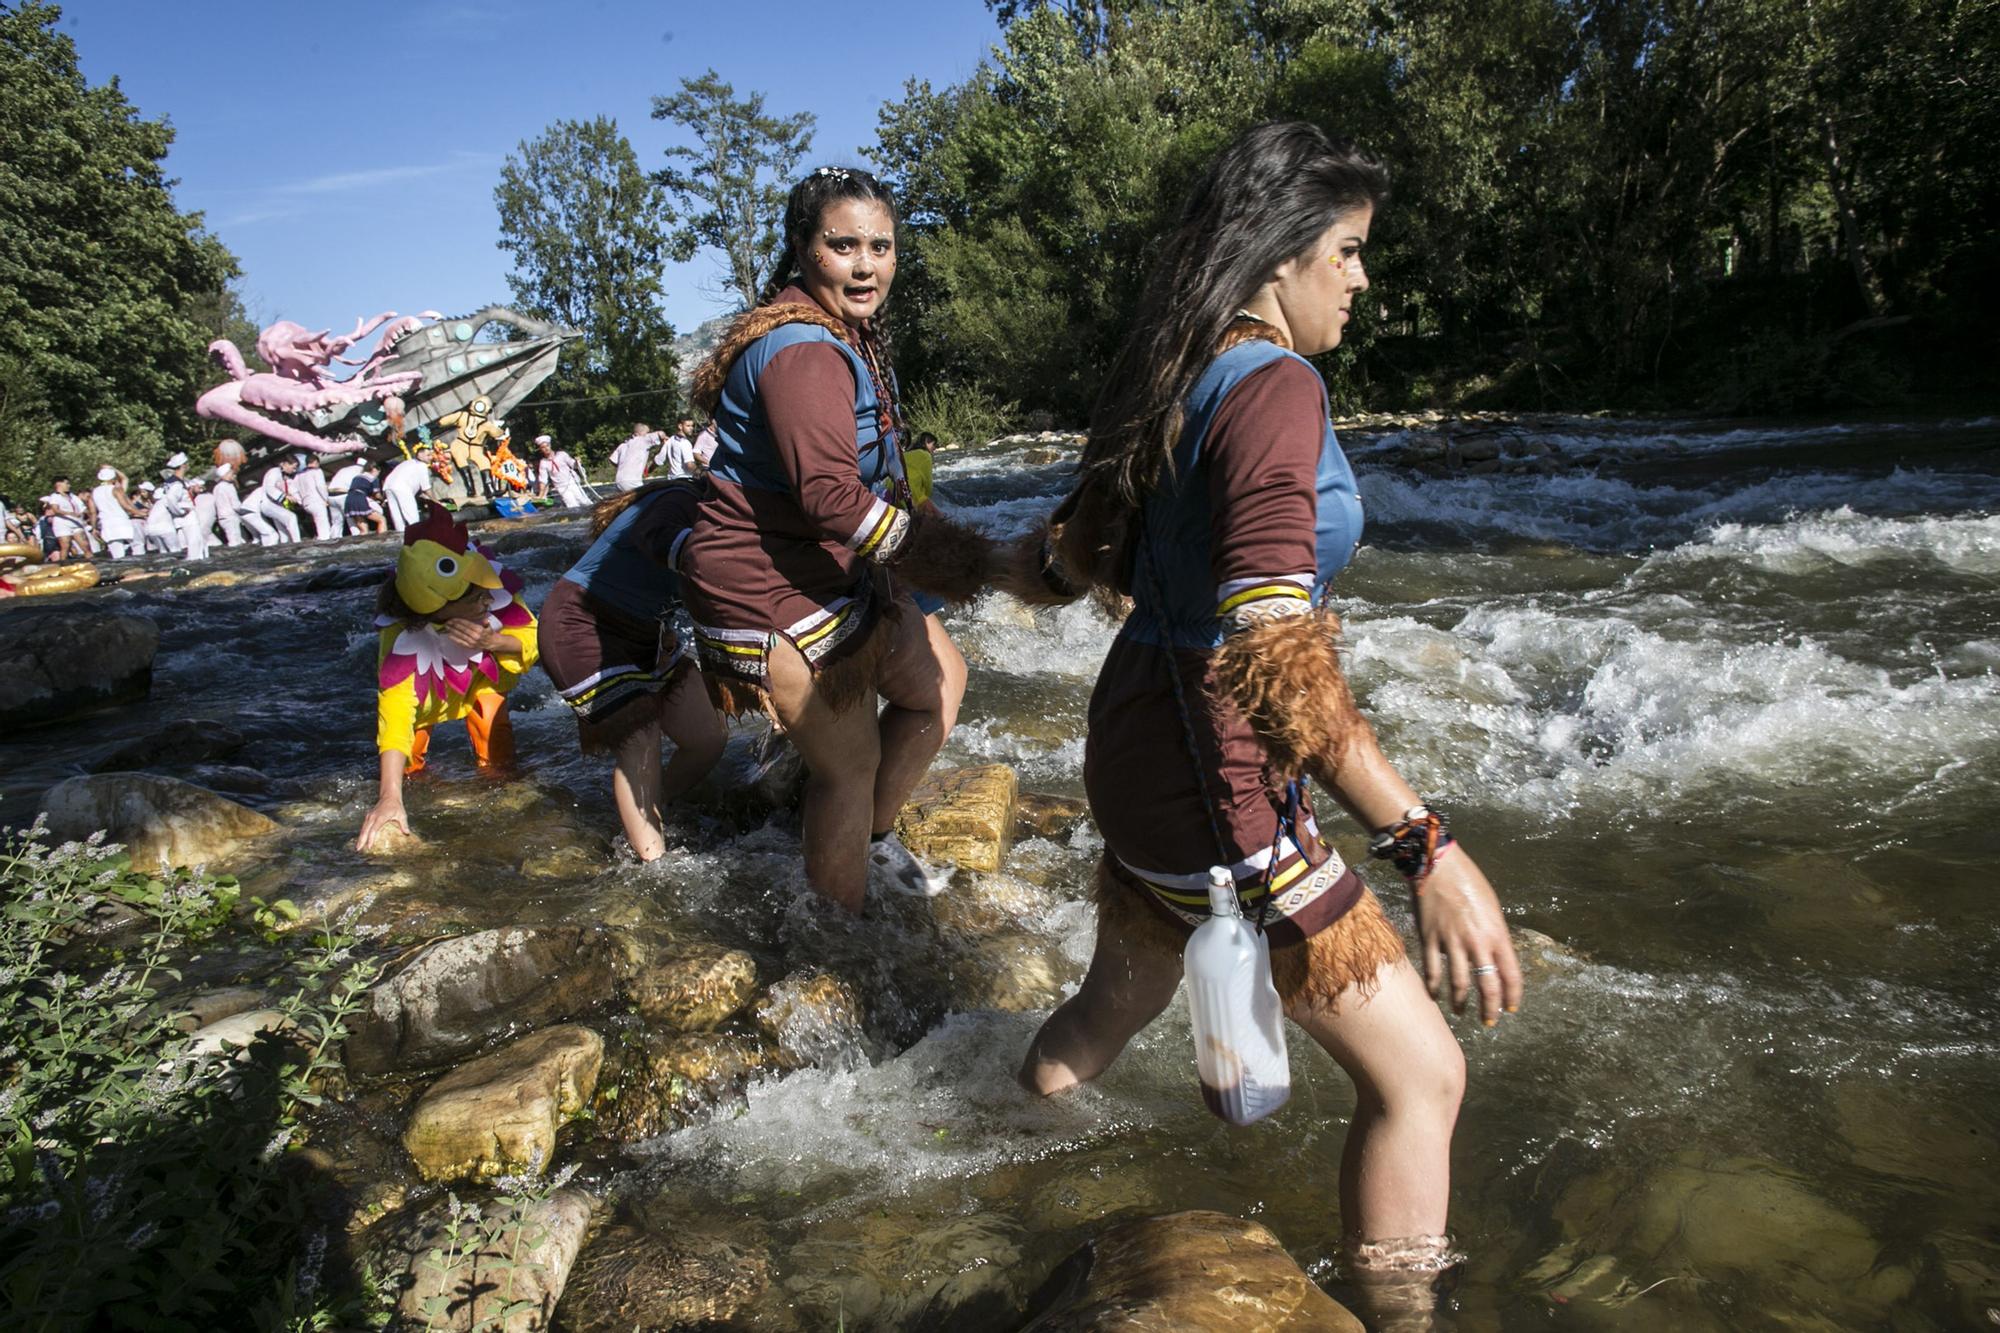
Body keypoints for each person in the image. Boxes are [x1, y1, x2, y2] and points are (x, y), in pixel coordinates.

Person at [1003, 122, 1522, 1308]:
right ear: (1278, 254)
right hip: (1212, 769)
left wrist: (924, 565)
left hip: (1136, 737)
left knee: (1110, 1006)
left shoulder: (1174, 373)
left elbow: (1064, 559)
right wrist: (1424, 846)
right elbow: (1271, 649)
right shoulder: (1278, 384)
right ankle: (1394, 1314)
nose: (1360, 277)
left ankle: (981, 1173)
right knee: (1422, 1078)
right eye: (1344, 250)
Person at [680, 165, 988, 912]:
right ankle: (839, 947)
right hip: (767, 583)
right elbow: (827, 496)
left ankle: (869, 841)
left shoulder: (839, 333)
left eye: (880, 246)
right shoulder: (805, 350)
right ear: (802, 248)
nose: (865, 264)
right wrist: (957, 558)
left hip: (835, 570)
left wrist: (925, 560)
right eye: (842, 245)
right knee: (849, 767)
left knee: (938, 687)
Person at [540, 480, 727, 860]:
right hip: (581, 623)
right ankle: (653, 866)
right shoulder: (681, 501)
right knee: (641, 738)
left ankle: (652, 811)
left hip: (650, 632)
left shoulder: (725, 521)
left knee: (708, 737)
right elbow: (655, 537)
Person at [355, 501, 539, 851]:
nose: (488, 601)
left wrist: (494, 641)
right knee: (408, 761)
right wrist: (389, 796)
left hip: (481, 678)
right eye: (476, 598)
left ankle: (502, 792)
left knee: (496, 746)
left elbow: (535, 638)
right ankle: (415, 793)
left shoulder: (494, 590)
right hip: (430, 694)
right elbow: (395, 717)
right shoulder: (402, 641)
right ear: (439, 607)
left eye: (488, 592)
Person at [212, 462, 273, 546]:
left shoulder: (216, 487)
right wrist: (245, 512)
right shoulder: (229, 487)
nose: (234, 476)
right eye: (231, 473)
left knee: (236, 539)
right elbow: (235, 504)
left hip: (222, 518)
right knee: (235, 542)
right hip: (231, 518)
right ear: (225, 475)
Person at [380, 445, 438, 530]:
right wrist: (436, 501)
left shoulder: (408, 462)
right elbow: (426, 489)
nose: (430, 457)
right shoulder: (422, 466)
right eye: (428, 455)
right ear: (420, 455)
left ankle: (401, 534)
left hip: (388, 486)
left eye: (431, 455)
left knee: (397, 516)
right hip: (401, 488)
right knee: (412, 515)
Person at [91, 466, 144, 559]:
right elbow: (125, 506)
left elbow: (93, 512)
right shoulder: (115, 489)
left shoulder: (94, 492)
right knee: (137, 545)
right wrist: (141, 513)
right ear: (113, 478)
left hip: (107, 523)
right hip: (122, 521)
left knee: (117, 554)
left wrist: (94, 528)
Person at [534, 435, 589, 509]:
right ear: (540, 449)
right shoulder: (543, 463)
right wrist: (541, 495)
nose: (546, 448)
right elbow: (543, 480)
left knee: (583, 501)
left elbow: (573, 465)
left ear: (550, 445)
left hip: (571, 482)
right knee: (572, 505)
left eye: (547, 446)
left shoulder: (562, 454)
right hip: (561, 487)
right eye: (543, 447)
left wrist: (577, 462)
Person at [256, 457, 302, 544]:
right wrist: (285, 497)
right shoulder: (274, 472)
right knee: (291, 518)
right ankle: (297, 543)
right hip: (268, 504)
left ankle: (284, 544)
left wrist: (300, 501)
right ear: (285, 464)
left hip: (273, 504)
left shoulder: (281, 475)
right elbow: (269, 488)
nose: (294, 470)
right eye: (293, 467)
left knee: (282, 529)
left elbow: (290, 489)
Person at [294, 454, 337, 540]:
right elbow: (320, 486)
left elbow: (294, 491)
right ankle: (325, 543)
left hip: (306, 503)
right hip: (317, 501)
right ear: (315, 462)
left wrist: (301, 501)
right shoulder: (317, 471)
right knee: (323, 527)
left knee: (318, 524)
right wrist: (326, 499)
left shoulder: (298, 476)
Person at [609, 423, 659, 492]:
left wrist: (622, 466)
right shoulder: (642, 440)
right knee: (646, 499)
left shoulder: (623, 445)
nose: (648, 434)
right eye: (647, 432)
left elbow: (612, 460)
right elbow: (660, 434)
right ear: (638, 433)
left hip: (619, 481)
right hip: (632, 481)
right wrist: (665, 438)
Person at [343, 460, 387, 534]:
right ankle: (383, 542)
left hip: (349, 500)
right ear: (374, 469)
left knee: (363, 529)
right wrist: (383, 500)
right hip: (359, 499)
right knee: (382, 520)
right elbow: (377, 495)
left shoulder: (357, 477)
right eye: (378, 473)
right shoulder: (373, 478)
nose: (378, 475)